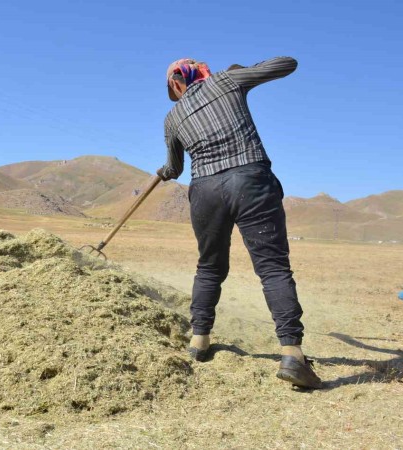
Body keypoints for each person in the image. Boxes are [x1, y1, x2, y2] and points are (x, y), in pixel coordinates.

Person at [156, 56, 322, 389]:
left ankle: (198, 342)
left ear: (176, 84)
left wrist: (164, 171)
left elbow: (174, 169)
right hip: (249, 180)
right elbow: (287, 63)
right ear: (203, 72)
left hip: (204, 190)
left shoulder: (172, 117)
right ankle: (292, 355)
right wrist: (240, 71)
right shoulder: (227, 82)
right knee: (273, 268)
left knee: (209, 268)